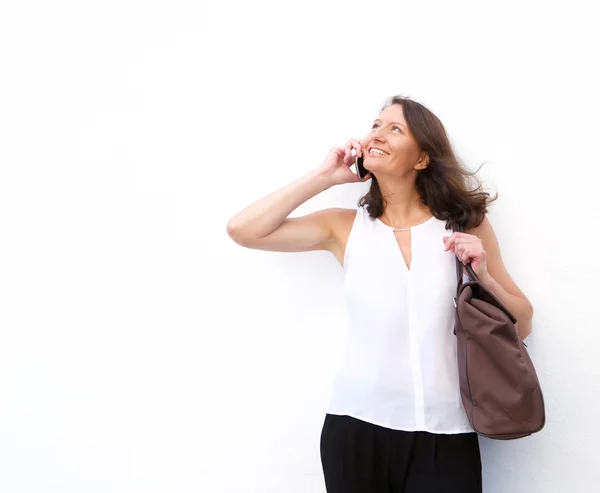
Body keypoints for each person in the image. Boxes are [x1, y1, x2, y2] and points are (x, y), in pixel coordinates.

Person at [226, 95, 534, 493]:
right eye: (375, 125)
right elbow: (244, 230)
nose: (378, 135)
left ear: (422, 159)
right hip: (356, 425)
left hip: (446, 431)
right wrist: (325, 176)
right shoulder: (345, 228)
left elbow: (522, 324)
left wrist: (484, 277)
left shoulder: (463, 227)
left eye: (395, 129)